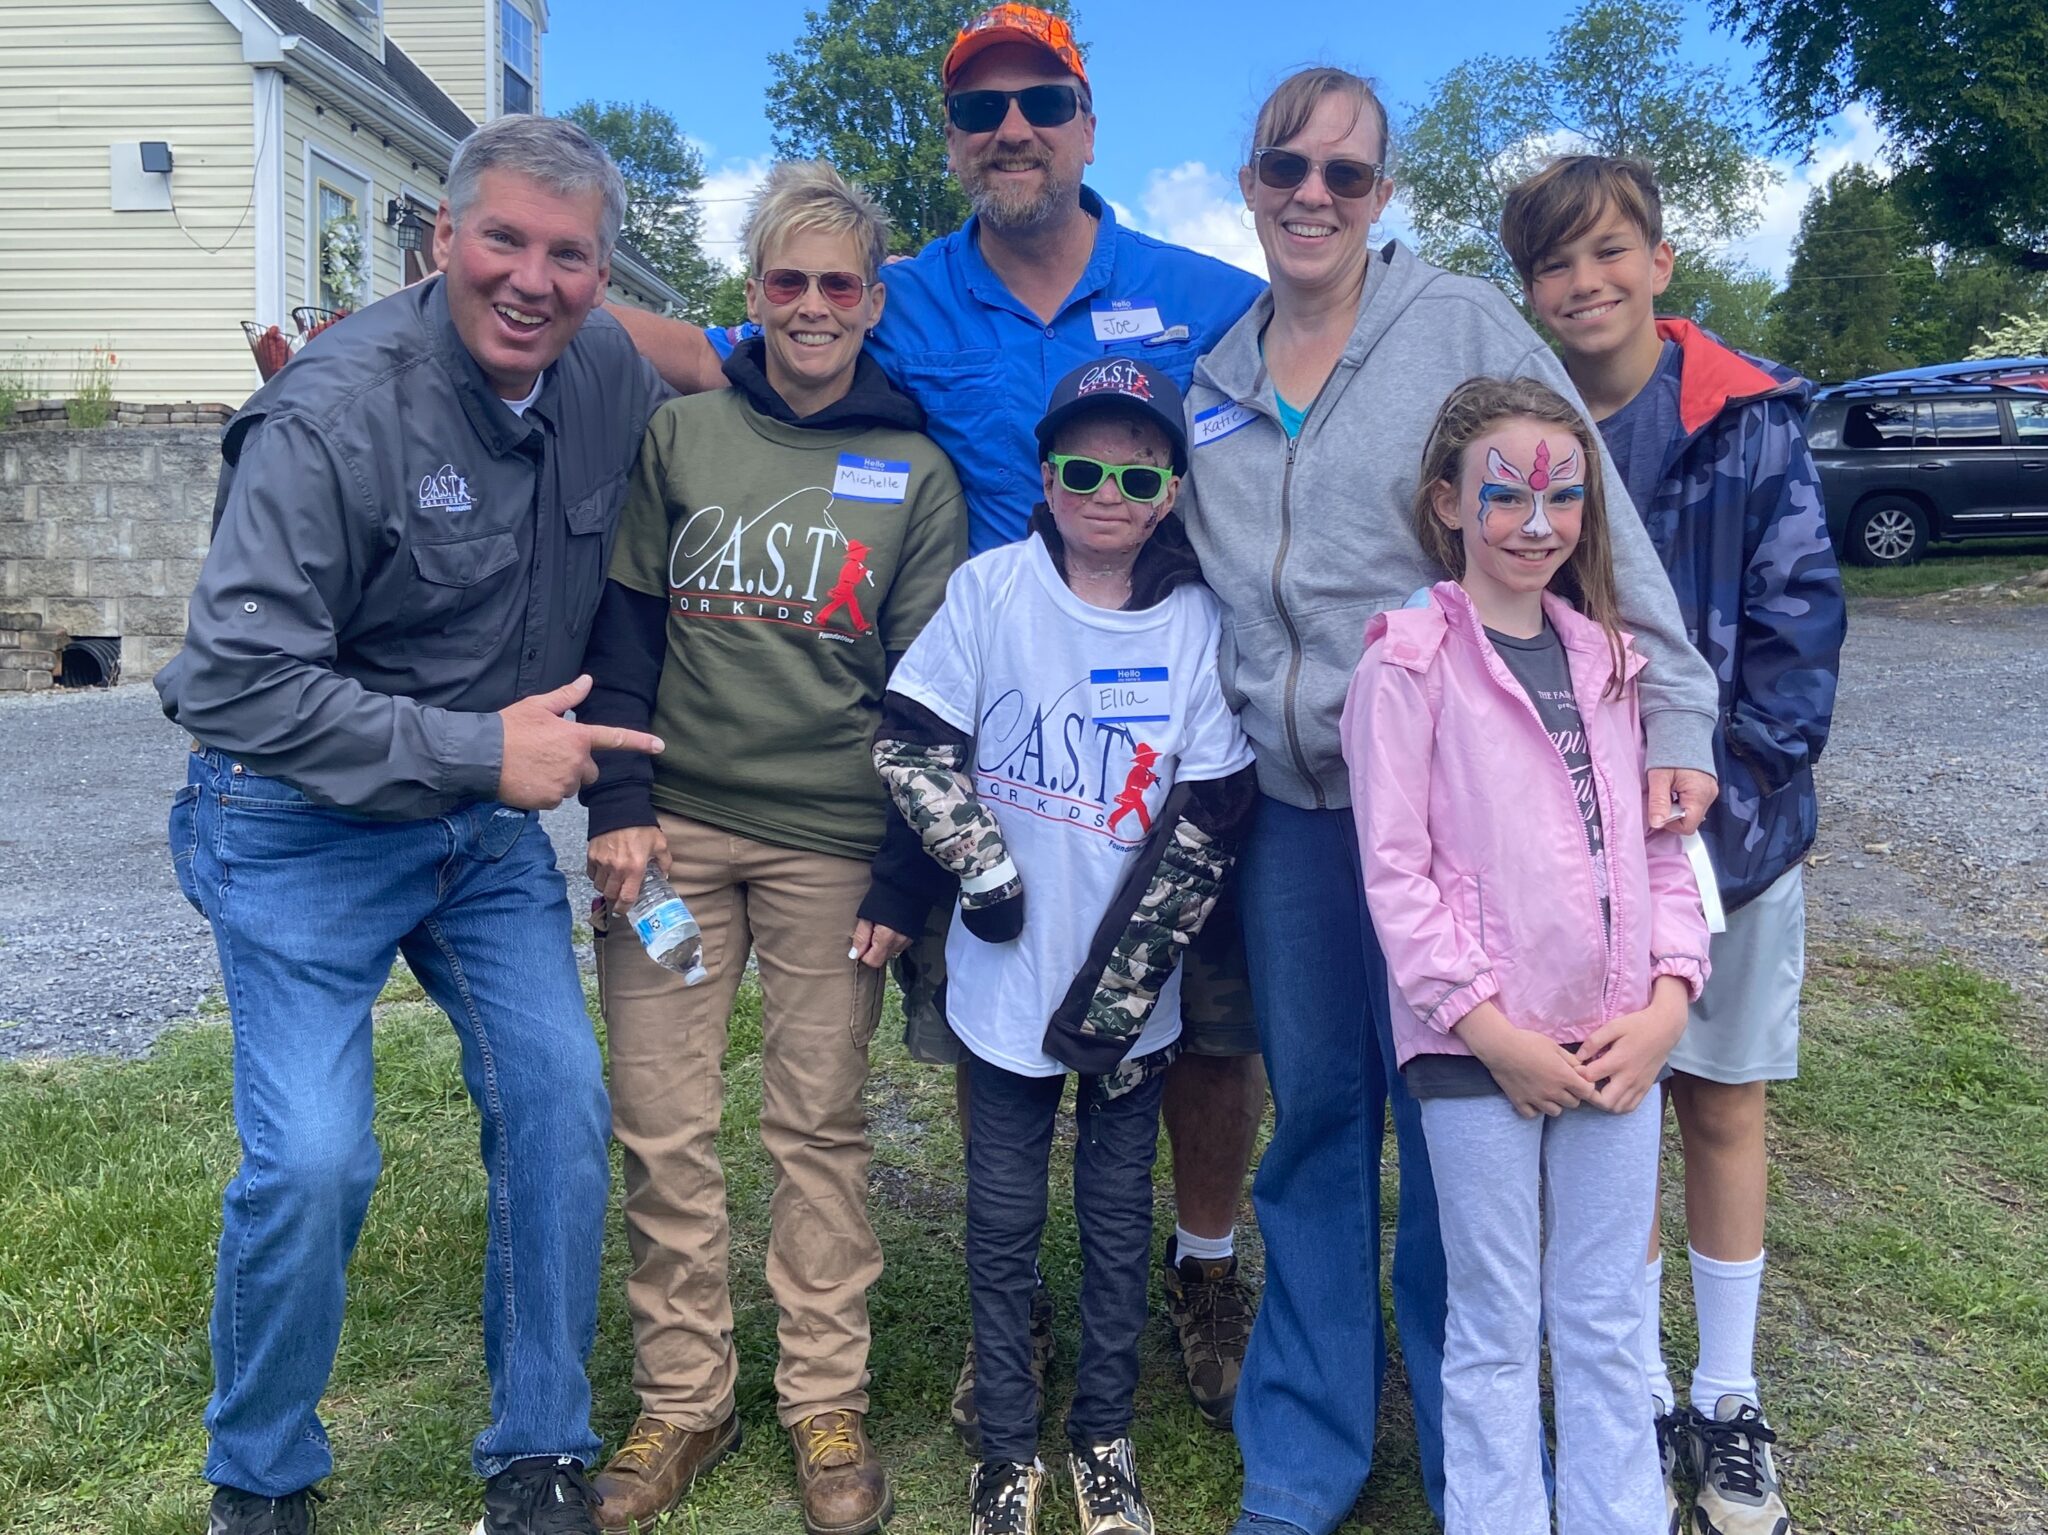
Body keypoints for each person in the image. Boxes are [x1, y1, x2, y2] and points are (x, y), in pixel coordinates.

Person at [607, 1, 1272, 1442]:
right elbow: (723, 346)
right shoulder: (900, 291)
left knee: (1205, 1027)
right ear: (956, 141)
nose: (1012, 128)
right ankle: (1011, 1306)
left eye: (1040, 100)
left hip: (1166, 724)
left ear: (1089, 124)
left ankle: (1204, 1264)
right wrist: (535, 285)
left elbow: (1327, 367)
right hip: (987, 742)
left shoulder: (1202, 293)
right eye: (981, 109)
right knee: (995, 1026)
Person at [1177, 68, 1723, 1535]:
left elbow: (1589, 514)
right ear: (1250, 181)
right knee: (1318, 1122)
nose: (1313, 195)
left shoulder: (1464, 325)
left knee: (1454, 1117)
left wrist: (1673, 705)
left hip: (1469, 812)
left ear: (1382, 197)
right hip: (1299, 813)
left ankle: (1471, 1444)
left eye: (1347, 175)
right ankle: (1304, 1459)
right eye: (1287, 166)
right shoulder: (1215, 381)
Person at [154, 115, 670, 1535]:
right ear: (440, 238)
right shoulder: (331, 414)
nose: (531, 279)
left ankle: (540, 1445)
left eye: (569, 255)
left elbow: (702, 367)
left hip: (474, 828)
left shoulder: (605, 366)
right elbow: (232, 686)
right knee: (316, 1155)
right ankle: (260, 1473)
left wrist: (824, 360)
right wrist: (477, 749)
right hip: (298, 821)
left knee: (559, 1096)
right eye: (501, 238)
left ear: (601, 274)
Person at [573, 161, 965, 1535]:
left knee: (818, 1120)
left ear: (871, 302)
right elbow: (621, 628)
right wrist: (615, 807)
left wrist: (906, 872)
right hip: (670, 850)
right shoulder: (686, 437)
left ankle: (823, 1395)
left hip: (830, 854)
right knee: (664, 1115)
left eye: (837, 284)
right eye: (785, 281)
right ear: (752, 296)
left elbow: (928, 692)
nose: (810, 306)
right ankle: (685, 1395)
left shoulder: (915, 471)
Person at [1501, 153, 1844, 1535]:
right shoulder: (1522, 431)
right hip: (1571, 845)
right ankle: (1631, 1381)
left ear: (1659, 259)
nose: (1584, 284)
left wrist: (1714, 829)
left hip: (1727, 836)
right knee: (1610, 1108)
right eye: (1553, 264)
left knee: (1720, 1098)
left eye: (1607, 254)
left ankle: (1728, 1389)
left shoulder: (1747, 418)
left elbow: (1797, 643)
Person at [873, 357, 1257, 1535]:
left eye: (1135, 471)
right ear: (1045, 477)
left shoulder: (1197, 624)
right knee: (997, 1220)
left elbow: (1212, 808)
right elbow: (909, 745)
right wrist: (983, 873)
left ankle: (1100, 1434)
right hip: (998, 990)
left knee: (1107, 1220)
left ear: (1171, 488)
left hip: (1130, 1011)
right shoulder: (992, 591)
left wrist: (1120, 983)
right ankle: (1004, 1447)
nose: (1107, 489)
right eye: (1081, 467)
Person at [1345, 374, 1711, 1535]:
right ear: (1447, 502)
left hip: (1614, 1039)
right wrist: (1485, 1029)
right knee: (1495, 1321)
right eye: (1503, 494)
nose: (1535, 523)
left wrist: (1667, 999)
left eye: (1561, 497)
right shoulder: (1403, 662)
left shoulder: (1610, 659)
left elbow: (1657, 854)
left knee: (1606, 1315)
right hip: (1474, 1049)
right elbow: (1393, 875)